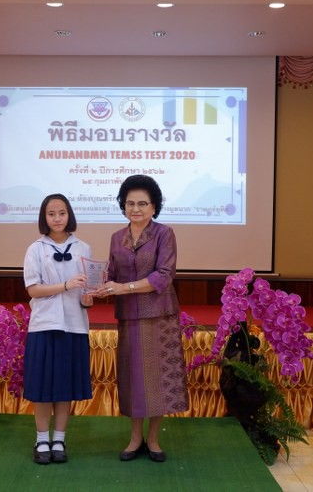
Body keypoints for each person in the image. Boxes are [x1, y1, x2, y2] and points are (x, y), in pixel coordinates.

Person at [96, 174, 188, 463]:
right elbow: (111, 275)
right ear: (123, 206)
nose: (135, 209)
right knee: (133, 378)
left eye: (142, 204)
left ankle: (154, 439)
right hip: (129, 316)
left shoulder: (164, 234)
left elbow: (164, 276)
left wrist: (125, 288)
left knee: (157, 379)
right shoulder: (117, 238)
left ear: (154, 207)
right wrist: (97, 287)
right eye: (130, 203)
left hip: (159, 315)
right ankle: (135, 438)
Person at [23, 193, 93, 464]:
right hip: (44, 325)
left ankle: (59, 439)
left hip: (74, 325)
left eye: (62, 213)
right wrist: (65, 285)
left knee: (64, 387)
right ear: (44, 217)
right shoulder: (35, 249)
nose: (57, 218)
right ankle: (41, 439)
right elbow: (33, 289)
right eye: (51, 214)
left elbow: (86, 291)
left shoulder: (83, 248)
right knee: (42, 387)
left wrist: (88, 299)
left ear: (69, 215)